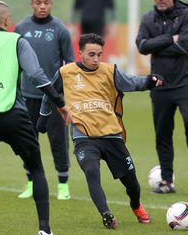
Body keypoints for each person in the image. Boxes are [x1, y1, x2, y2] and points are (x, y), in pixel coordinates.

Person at [0, 1, 72, 235]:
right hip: (14, 115)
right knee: (36, 168)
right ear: (8, 22)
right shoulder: (17, 41)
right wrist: (60, 103)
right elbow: (36, 74)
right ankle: (44, 230)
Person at [39, 33, 162, 229]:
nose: (96, 59)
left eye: (99, 54)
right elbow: (50, 95)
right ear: (80, 53)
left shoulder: (109, 70)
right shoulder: (65, 72)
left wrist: (149, 81)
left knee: (132, 184)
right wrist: (43, 118)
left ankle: (136, 205)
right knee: (91, 171)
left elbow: (132, 83)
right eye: (91, 54)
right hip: (84, 137)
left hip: (111, 135)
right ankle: (106, 214)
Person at [136, 0, 188, 193]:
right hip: (160, 84)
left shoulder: (187, 15)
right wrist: (169, 39)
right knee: (162, 132)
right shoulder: (148, 18)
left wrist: (156, 45)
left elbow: (185, 45)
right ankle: (167, 181)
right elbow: (141, 46)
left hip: (185, 82)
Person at [14, 0, 74, 200]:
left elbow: (70, 64)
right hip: (28, 96)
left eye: (46, 3)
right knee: (28, 141)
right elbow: (15, 63)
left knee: (59, 142)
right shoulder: (21, 28)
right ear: (31, 3)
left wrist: (65, 95)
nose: (42, 6)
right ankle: (31, 182)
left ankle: (63, 185)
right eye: (38, 3)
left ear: (51, 4)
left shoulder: (60, 29)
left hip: (53, 97)